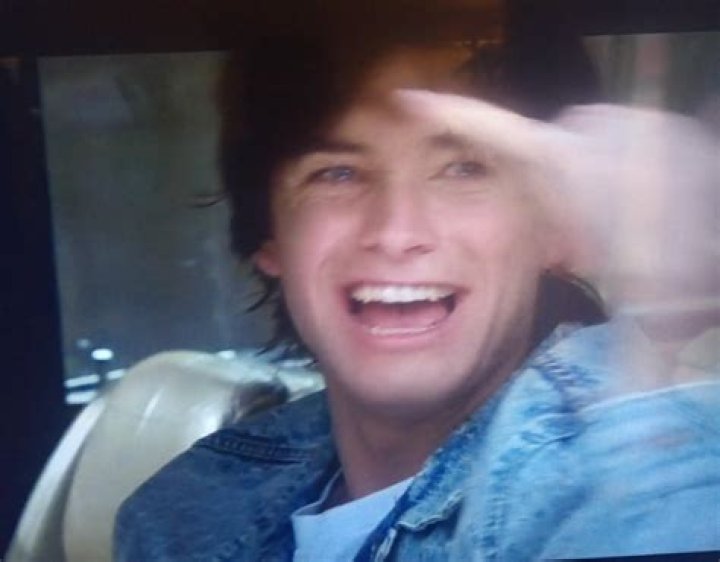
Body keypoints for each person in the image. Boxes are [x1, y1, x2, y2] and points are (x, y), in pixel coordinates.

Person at [114, 9, 720, 561]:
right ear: (270, 237)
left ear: (557, 230)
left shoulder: (618, 481)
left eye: (464, 168)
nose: (396, 232)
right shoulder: (178, 512)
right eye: (338, 173)